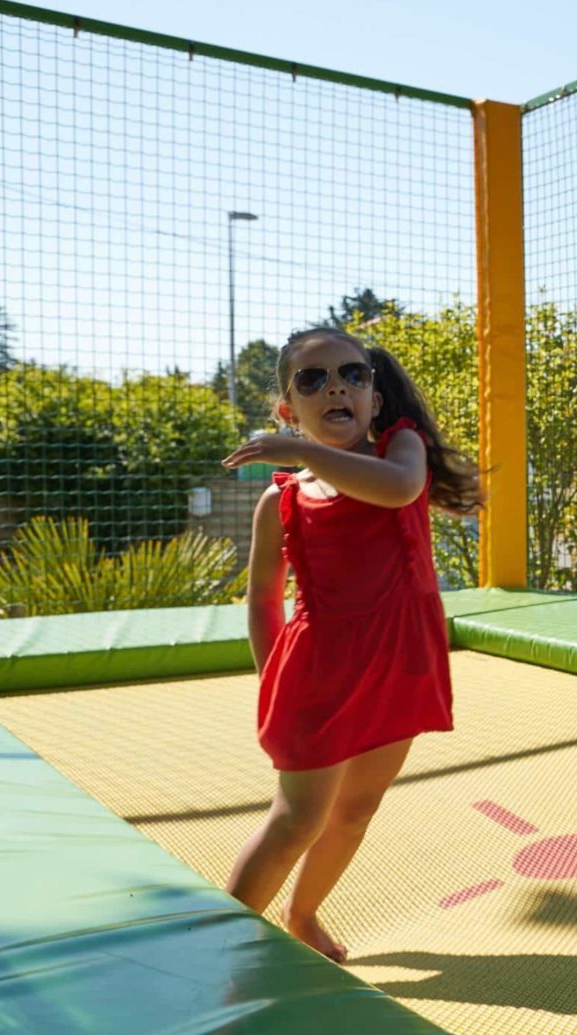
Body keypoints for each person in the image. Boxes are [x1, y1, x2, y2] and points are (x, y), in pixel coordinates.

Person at [219, 326, 482, 960]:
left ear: (374, 397)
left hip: (400, 661)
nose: (336, 385)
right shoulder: (280, 500)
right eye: (313, 379)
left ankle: (301, 914)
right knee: (298, 819)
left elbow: (396, 491)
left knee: (357, 808)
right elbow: (261, 600)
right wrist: (270, 677)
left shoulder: (401, 448)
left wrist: (300, 451)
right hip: (320, 673)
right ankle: (220, 947)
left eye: (352, 375)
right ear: (288, 408)